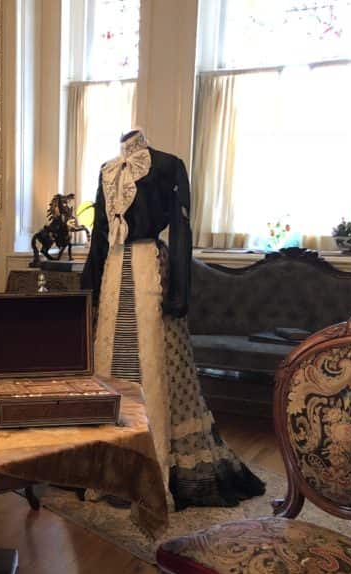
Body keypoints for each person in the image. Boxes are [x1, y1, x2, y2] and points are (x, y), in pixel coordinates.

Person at [82, 129, 265, 511]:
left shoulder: (168, 165)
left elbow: (181, 231)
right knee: (110, 368)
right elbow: (101, 232)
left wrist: (179, 293)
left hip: (151, 270)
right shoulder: (107, 169)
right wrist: (91, 288)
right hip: (114, 273)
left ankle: (154, 466)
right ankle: (111, 463)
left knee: (153, 368)